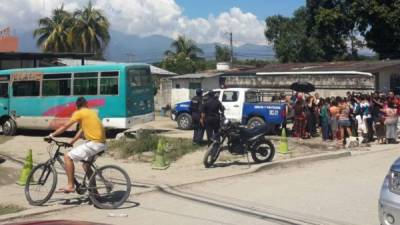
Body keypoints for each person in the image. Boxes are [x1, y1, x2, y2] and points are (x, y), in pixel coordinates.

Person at [46, 97, 106, 193]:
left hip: (94, 143)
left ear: (77, 106)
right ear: (86, 104)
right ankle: (95, 194)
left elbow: (65, 126)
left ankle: (70, 186)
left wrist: (51, 135)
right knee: (86, 165)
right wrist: (72, 142)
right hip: (101, 143)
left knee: (67, 157)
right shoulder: (91, 113)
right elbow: (81, 130)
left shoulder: (79, 113)